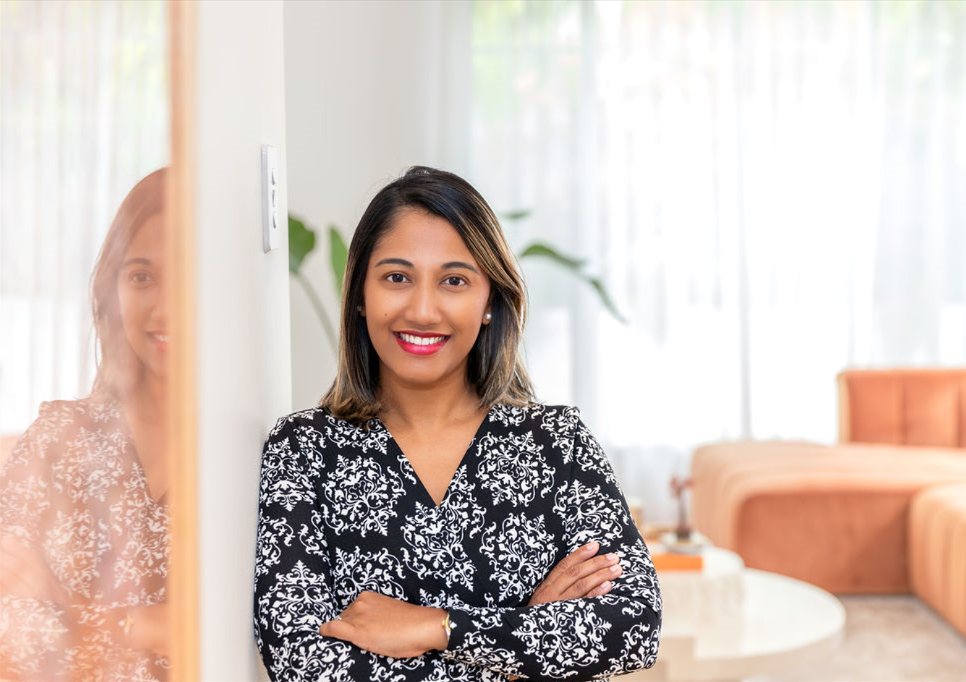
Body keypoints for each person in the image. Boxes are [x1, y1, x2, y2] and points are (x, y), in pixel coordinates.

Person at [254, 166, 661, 681]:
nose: (423, 310)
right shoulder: (303, 451)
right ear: (359, 294)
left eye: (454, 281)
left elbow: (634, 627)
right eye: (397, 277)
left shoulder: (556, 443)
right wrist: (523, 642)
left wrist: (439, 627)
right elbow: (301, 662)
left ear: (489, 300)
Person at [0, 169, 171, 681]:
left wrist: (65, 605)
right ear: (112, 287)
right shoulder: (59, 437)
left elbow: (231, 630)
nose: (163, 308)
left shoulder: (261, 452)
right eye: (142, 276)